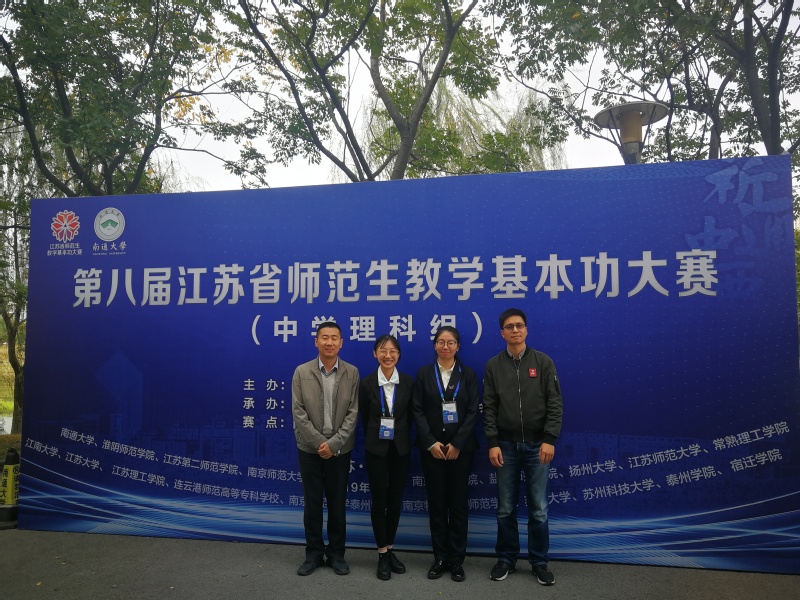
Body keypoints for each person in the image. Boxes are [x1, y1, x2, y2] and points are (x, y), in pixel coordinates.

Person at [483, 308, 563, 586]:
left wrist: (550, 438)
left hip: (538, 446)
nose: (515, 330)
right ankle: (506, 558)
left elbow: (555, 403)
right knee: (505, 508)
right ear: (502, 333)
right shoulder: (494, 366)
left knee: (538, 508)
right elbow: (489, 407)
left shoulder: (543, 362)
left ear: (526, 330)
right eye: (509, 326)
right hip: (505, 446)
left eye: (519, 325)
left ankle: (539, 562)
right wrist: (492, 442)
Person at [411, 325, 479, 582]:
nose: (446, 346)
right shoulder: (424, 373)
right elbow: (417, 410)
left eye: (451, 342)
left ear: (458, 347)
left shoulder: (468, 374)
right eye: (441, 342)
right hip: (433, 451)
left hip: (461, 451)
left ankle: (457, 560)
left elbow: (472, 411)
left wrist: (458, 443)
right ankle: (440, 557)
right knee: (437, 505)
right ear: (435, 345)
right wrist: (431, 443)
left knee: (458, 505)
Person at [292, 321, 360, 576]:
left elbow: (353, 413)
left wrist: (333, 444)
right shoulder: (301, 372)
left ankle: (336, 554)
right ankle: (313, 553)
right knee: (312, 503)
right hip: (309, 449)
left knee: (337, 502)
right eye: (324, 337)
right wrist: (319, 442)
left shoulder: (352, 372)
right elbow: (298, 412)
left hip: (340, 449)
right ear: (316, 342)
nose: (329, 342)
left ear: (341, 343)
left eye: (334, 338)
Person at [359, 334, 414, 580]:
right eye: (382, 351)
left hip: (400, 450)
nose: (388, 355)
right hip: (376, 451)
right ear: (375, 354)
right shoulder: (366, 383)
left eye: (392, 351)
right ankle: (381, 553)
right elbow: (364, 418)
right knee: (379, 501)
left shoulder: (408, 383)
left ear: (399, 355)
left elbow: (410, 418)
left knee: (395, 501)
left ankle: (390, 549)